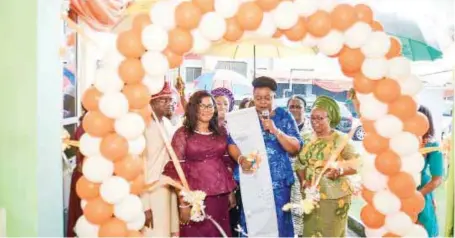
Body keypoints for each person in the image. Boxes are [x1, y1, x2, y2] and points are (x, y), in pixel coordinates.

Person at [228, 76, 303, 237]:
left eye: (267, 98)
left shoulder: (284, 116)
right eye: (258, 98)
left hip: (278, 184)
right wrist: (241, 159)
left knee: (278, 224)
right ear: (253, 97)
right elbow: (232, 143)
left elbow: (295, 148)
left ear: (274, 97)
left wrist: (276, 131)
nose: (263, 102)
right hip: (252, 180)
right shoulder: (244, 117)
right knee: (253, 223)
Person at [163, 90, 237, 237]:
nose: (206, 110)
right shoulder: (182, 134)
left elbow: (227, 162)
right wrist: (183, 203)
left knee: (219, 232)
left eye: (210, 106)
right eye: (202, 106)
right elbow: (177, 170)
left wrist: (230, 192)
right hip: (195, 198)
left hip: (220, 196)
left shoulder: (221, 131)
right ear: (193, 108)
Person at [295, 95, 359, 237]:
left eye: (320, 118)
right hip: (311, 195)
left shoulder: (341, 139)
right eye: (312, 117)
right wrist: (303, 182)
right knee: (310, 231)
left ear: (330, 118)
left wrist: (340, 170)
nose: (315, 122)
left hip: (334, 197)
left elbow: (357, 164)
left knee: (331, 232)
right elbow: (299, 163)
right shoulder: (306, 137)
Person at [141, 82, 179, 237]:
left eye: (170, 100)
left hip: (168, 187)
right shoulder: (143, 127)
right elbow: (140, 167)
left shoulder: (167, 124)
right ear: (151, 102)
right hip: (151, 191)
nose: (169, 104)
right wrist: (145, 205)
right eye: (164, 100)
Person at [211, 87, 240, 236]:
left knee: (231, 223)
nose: (221, 106)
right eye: (217, 103)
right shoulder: (205, 127)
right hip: (211, 183)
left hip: (233, 182)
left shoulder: (235, 127)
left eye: (225, 104)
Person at [418, 105, 444, 237]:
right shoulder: (399, 141)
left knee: (421, 230)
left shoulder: (432, 146)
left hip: (421, 192)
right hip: (396, 194)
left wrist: (417, 195)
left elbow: (437, 179)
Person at [286, 95, 310, 236]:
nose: (294, 110)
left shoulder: (312, 131)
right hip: (284, 178)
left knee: (303, 214)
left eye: (298, 107)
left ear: (304, 109)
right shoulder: (281, 128)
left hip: (304, 179)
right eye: (291, 107)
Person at [66, 109, 87, 237]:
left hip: (86, 176)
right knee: (82, 215)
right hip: (84, 177)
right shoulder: (85, 126)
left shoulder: (83, 124)